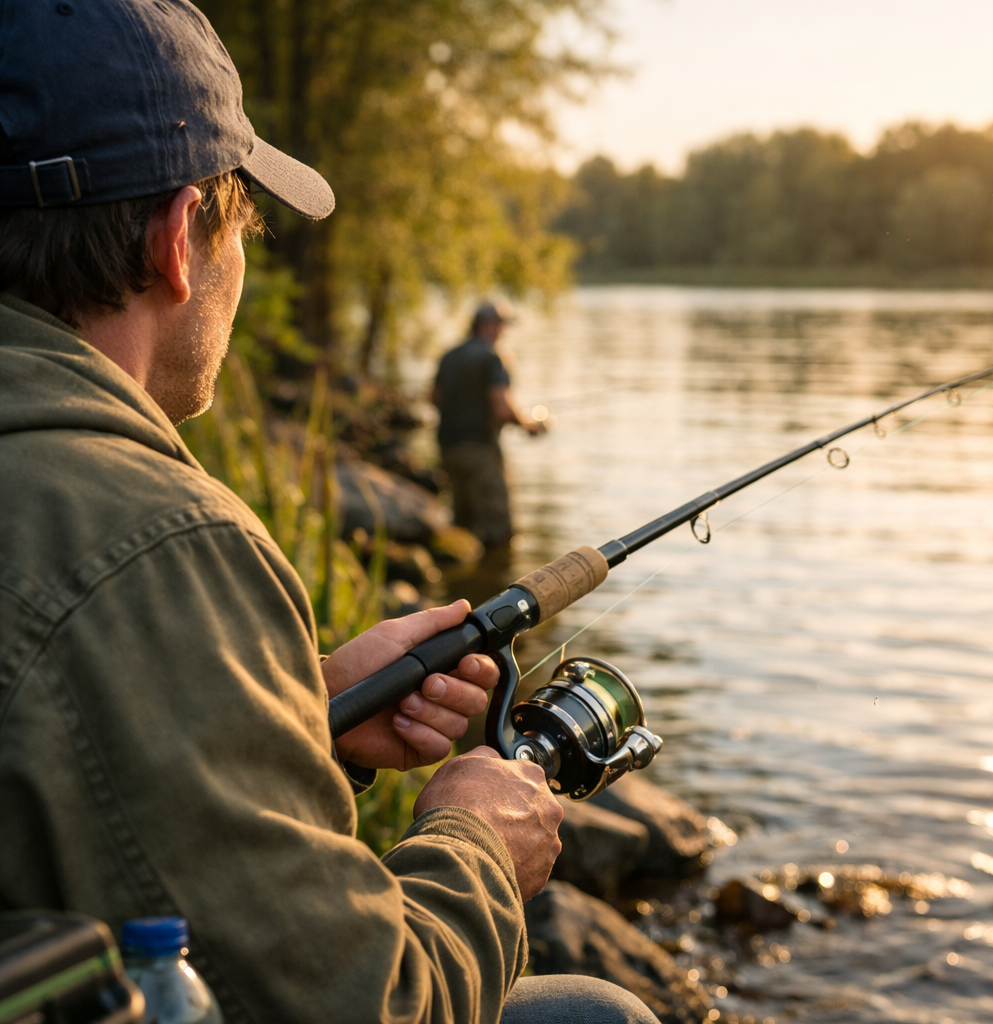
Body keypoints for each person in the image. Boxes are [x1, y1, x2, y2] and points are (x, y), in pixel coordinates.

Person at [0, 4, 657, 1024]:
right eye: (242, 230)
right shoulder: (147, 539)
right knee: (592, 1015)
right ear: (181, 241)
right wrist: (476, 841)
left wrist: (295, 716)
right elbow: (360, 1004)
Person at [433, 301, 545, 548]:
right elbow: (501, 405)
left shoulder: (450, 355)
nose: (503, 332)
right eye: (501, 325)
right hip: (480, 448)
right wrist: (530, 425)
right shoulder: (493, 357)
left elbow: (435, 398)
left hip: (448, 446)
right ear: (489, 325)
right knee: (498, 527)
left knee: (464, 519)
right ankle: (501, 581)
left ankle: (464, 578)